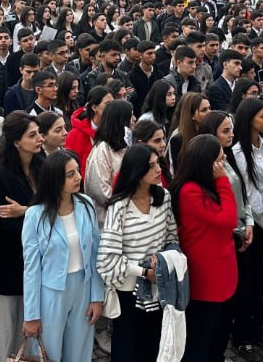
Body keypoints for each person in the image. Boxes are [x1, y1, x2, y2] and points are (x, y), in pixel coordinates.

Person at [97, 143, 179, 362]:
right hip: (128, 291)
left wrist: (163, 263)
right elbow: (107, 259)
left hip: (158, 287)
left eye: (157, 163)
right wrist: (143, 272)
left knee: (152, 345)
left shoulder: (164, 198)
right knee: (127, 349)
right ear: (137, 171)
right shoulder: (120, 207)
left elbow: (172, 238)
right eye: (151, 166)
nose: (158, 169)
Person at [22, 149, 104, 362]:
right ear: (54, 179)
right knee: (48, 353)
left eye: (77, 171)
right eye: (70, 174)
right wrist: (31, 315)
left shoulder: (86, 205)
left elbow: (95, 254)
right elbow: (31, 268)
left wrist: (97, 296)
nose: (78, 177)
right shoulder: (35, 215)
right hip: (50, 292)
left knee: (80, 353)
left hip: (84, 288)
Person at [0, 112, 44, 362]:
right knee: (3, 329)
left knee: (29, 328)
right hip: (7, 263)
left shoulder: (43, 166)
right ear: (16, 142)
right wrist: (41, 228)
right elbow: (6, 222)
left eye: (39, 132)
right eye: (32, 135)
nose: (40, 138)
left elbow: (56, 206)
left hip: (38, 261)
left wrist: (26, 211)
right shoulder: (0, 175)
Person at [172, 134, 238, 362]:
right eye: (220, 159)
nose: (224, 162)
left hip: (222, 268)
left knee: (218, 332)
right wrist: (222, 181)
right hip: (207, 274)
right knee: (201, 336)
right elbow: (229, 219)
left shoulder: (202, 185)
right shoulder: (190, 191)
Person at [225, 98, 263, 354]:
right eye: (262, 116)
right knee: (248, 280)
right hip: (252, 219)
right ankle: (242, 333)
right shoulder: (238, 152)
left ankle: (258, 328)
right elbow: (248, 191)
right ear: (249, 120)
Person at [84, 99, 134, 223]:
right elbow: (100, 191)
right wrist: (128, 201)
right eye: (130, 116)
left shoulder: (127, 145)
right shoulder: (102, 151)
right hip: (110, 218)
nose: (134, 119)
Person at [65, 86, 113, 174]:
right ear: (94, 107)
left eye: (113, 104)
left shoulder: (116, 130)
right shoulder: (75, 134)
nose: (113, 108)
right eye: (108, 104)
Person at [167, 93, 211, 173]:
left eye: (209, 108)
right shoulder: (178, 139)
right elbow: (177, 172)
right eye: (204, 110)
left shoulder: (210, 131)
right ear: (192, 115)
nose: (209, 113)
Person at [132, 119, 171, 186]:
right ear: (141, 143)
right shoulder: (129, 172)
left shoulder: (162, 163)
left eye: (163, 139)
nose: (163, 144)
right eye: (157, 141)